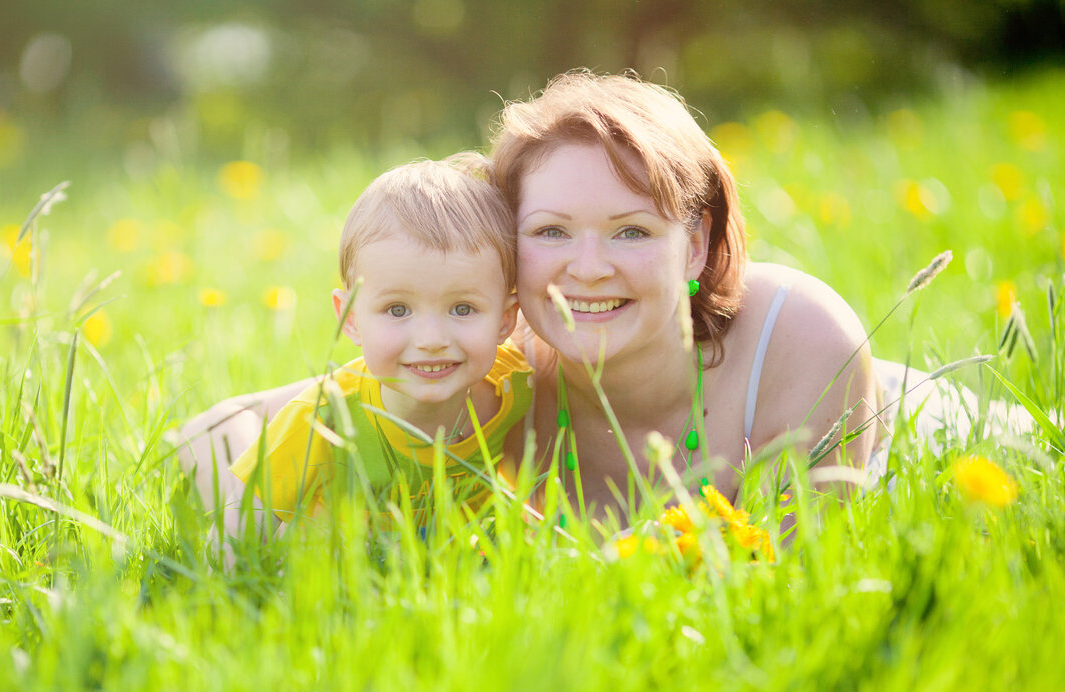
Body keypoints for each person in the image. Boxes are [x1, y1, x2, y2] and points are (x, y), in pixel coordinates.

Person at [179, 71, 877, 535]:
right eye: (550, 232)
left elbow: (787, 571)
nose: (589, 270)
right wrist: (256, 537)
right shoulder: (489, 376)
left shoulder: (803, 344)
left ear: (693, 246)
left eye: (630, 231)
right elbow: (212, 432)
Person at [213, 154, 530, 540]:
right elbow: (228, 550)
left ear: (505, 319)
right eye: (398, 309)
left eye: (462, 309)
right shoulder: (320, 425)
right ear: (350, 318)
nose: (431, 340)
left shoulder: (520, 390)